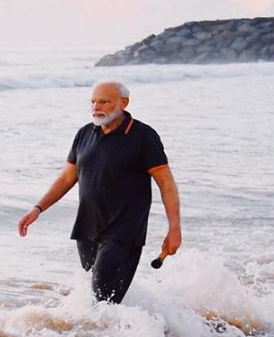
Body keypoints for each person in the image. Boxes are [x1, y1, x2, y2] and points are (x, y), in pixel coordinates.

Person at [17, 81, 181, 304]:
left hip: (124, 231)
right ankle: (117, 335)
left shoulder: (143, 136)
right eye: (93, 102)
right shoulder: (84, 134)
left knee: (103, 300)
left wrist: (174, 227)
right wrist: (38, 209)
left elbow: (166, 183)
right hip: (87, 229)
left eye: (104, 101)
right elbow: (67, 177)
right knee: (96, 298)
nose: (96, 107)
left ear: (123, 103)